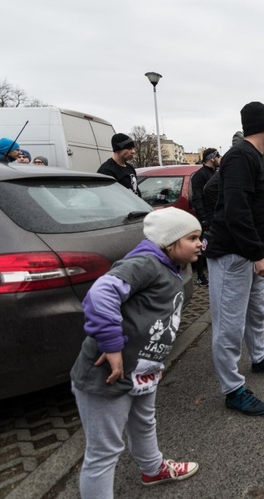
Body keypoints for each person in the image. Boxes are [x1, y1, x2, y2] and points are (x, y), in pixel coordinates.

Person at [70, 207, 201, 496]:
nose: (200, 244)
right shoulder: (146, 263)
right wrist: (112, 345)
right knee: (104, 452)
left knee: (143, 421)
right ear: (169, 242)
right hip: (107, 376)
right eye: (192, 238)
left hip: (142, 370)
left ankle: (153, 470)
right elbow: (101, 293)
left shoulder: (170, 267)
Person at [206, 102, 264, 416]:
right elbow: (236, 209)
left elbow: (263, 210)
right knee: (229, 325)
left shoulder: (257, 159)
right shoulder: (240, 156)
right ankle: (232, 388)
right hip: (233, 256)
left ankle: (259, 357)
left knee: (256, 312)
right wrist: (256, 253)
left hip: (255, 255)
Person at [190, 147, 220, 286]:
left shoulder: (217, 173)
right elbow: (197, 198)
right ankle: (201, 276)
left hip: (217, 215)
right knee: (203, 246)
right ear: (211, 158)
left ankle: (215, 274)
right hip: (206, 217)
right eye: (218, 156)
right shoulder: (199, 175)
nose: (220, 159)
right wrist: (203, 218)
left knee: (215, 246)